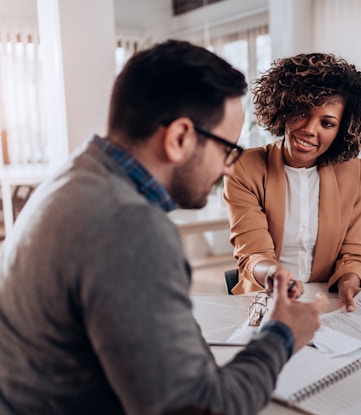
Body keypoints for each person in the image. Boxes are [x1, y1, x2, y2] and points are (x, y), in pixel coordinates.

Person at [0, 40, 328, 415]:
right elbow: (199, 409)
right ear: (179, 138)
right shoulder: (129, 228)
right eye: (227, 149)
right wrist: (281, 335)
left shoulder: (72, 179)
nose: (229, 168)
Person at [223, 53, 361, 312]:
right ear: (284, 109)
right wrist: (276, 277)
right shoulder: (245, 167)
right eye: (302, 112)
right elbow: (253, 254)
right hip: (266, 300)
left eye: (326, 123)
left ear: (342, 130)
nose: (309, 129)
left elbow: (354, 250)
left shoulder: (353, 172)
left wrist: (350, 280)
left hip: (329, 303)